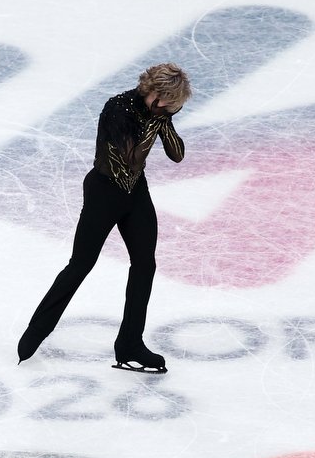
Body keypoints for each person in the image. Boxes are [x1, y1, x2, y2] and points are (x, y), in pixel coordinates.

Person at [17, 63, 191, 373]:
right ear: (155, 95)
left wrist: (164, 123)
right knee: (81, 264)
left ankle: (130, 343)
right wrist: (155, 124)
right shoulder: (118, 109)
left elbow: (177, 154)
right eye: (170, 106)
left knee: (145, 264)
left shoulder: (159, 114)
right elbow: (127, 163)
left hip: (135, 193)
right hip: (104, 192)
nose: (171, 112)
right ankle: (36, 332)